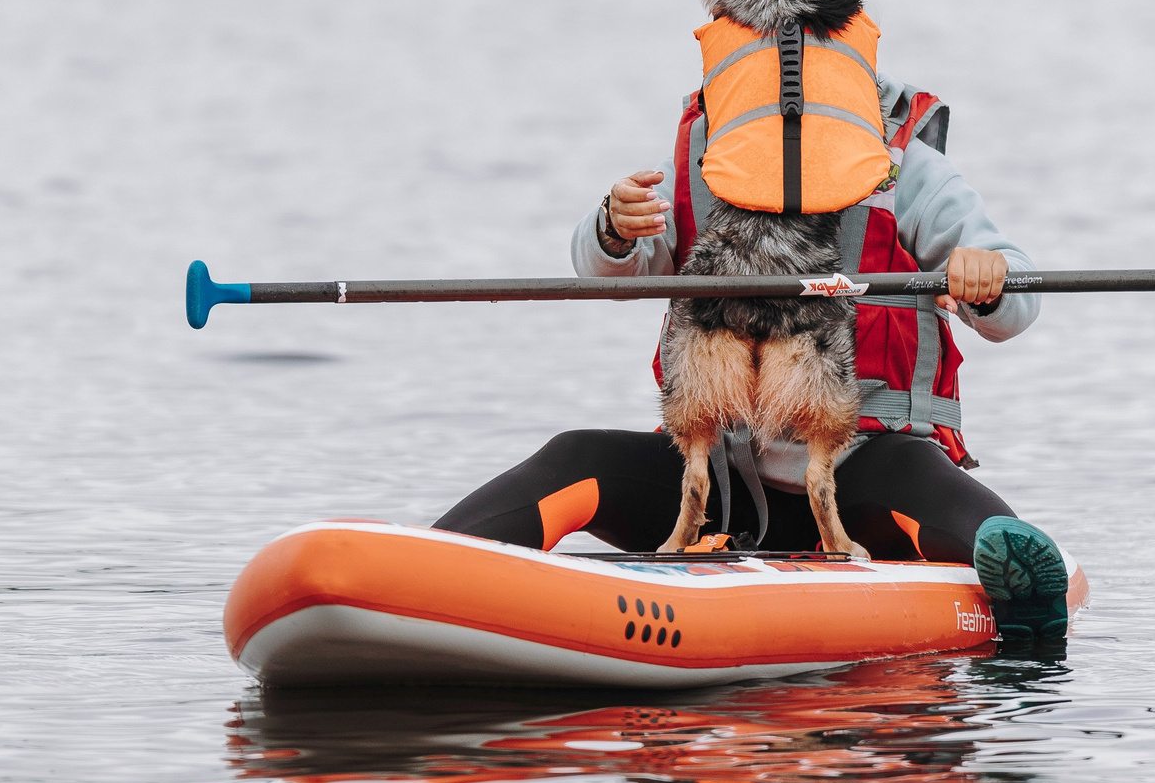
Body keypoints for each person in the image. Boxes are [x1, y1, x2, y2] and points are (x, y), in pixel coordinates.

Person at [434, 76, 1073, 641]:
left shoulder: (907, 166)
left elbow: (1017, 305)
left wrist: (989, 278)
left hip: (864, 472)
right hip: (715, 479)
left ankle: (1027, 584)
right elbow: (604, 270)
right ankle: (420, 577)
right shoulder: (709, 148)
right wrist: (612, 227)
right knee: (574, 454)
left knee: (929, 484)